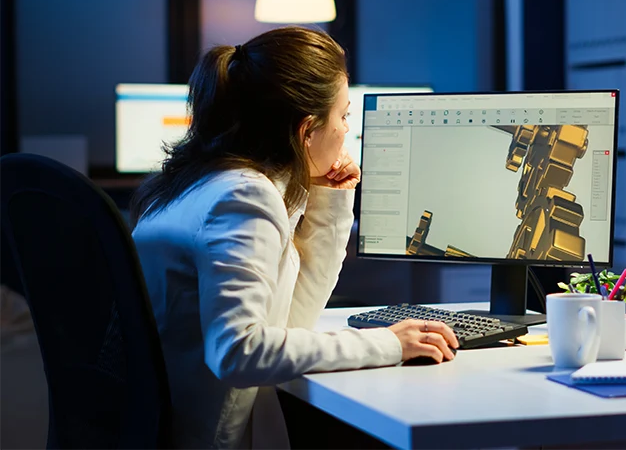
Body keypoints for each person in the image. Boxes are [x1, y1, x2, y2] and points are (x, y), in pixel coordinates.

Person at [129, 26, 458, 450]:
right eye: (343, 116)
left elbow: (290, 322)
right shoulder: (244, 195)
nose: (346, 131)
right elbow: (238, 352)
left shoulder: (199, 181)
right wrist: (388, 342)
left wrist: (330, 200)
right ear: (306, 131)